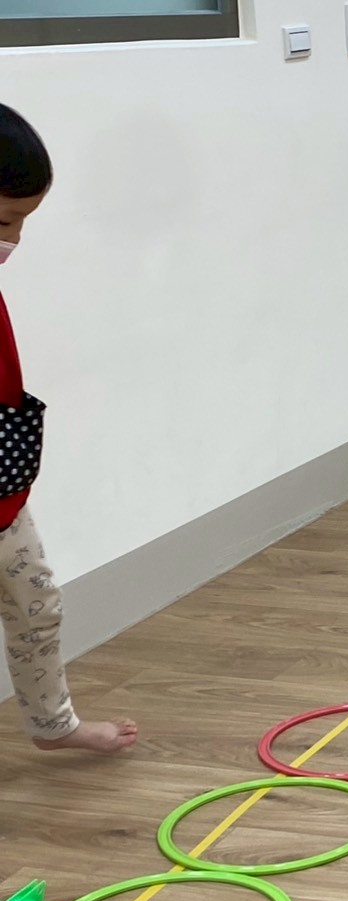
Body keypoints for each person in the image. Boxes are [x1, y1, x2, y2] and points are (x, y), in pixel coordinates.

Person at [0, 103, 137, 754]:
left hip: (5, 496)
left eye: (22, 225)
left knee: (37, 607)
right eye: (5, 222)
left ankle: (54, 725)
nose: (13, 242)